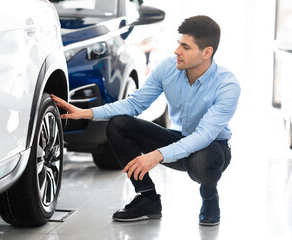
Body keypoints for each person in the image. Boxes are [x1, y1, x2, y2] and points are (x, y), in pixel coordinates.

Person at [52, 15, 241, 226]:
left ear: (207, 52)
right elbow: (134, 104)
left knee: (202, 161)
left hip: (212, 146)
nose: (177, 51)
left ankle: (209, 197)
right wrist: (87, 113)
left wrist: (157, 155)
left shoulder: (227, 85)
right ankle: (148, 199)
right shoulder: (168, 68)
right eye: (179, 44)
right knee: (119, 125)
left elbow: (203, 136)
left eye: (186, 47)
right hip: (178, 137)